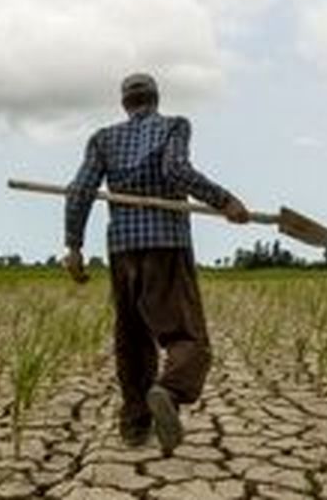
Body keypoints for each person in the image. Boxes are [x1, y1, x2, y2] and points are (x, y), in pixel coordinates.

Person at [63, 72, 249, 456]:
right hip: (167, 245)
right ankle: (169, 389)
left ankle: (134, 427)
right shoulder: (174, 126)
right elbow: (176, 170)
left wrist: (74, 246)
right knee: (185, 336)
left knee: (132, 339)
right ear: (156, 99)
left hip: (122, 251)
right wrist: (224, 200)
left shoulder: (103, 139)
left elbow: (81, 190)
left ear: (125, 104)